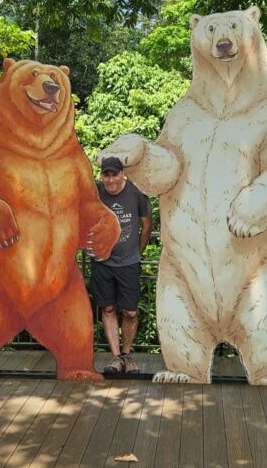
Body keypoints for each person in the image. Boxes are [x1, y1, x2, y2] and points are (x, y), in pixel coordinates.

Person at [90, 156, 152, 374]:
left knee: (130, 312)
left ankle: (127, 354)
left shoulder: (136, 193)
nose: (110, 180)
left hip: (129, 263)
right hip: (102, 262)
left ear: (122, 173)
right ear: (102, 176)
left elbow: (146, 224)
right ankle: (116, 358)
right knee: (107, 308)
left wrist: (138, 251)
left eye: (114, 174)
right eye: (106, 175)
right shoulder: (95, 192)